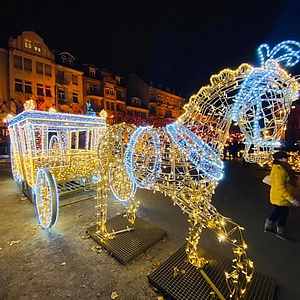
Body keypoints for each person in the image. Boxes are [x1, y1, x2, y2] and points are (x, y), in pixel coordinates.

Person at [264, 151, 300, 241]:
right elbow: (280, 188)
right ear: (280, 159)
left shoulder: (280, 168)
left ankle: (268, 227)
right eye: (285, 158)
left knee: (277, 211)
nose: (286, 159)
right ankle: (280, 232)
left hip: (279, 196)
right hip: (281, 197)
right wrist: (292, 200)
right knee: (283, 214)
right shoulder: (279, 171)